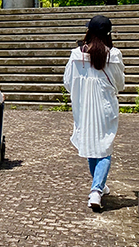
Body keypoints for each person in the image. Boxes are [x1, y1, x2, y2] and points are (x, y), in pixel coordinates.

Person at [64, 15, 125, 210]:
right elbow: (120, 84)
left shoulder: (76, 55)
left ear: (88, 31)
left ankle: (98, 187)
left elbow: (67, 82)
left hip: (84, 107)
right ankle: (96, 190)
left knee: (93, 146)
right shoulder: (113, 55)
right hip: (105, 106)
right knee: (104, 148)